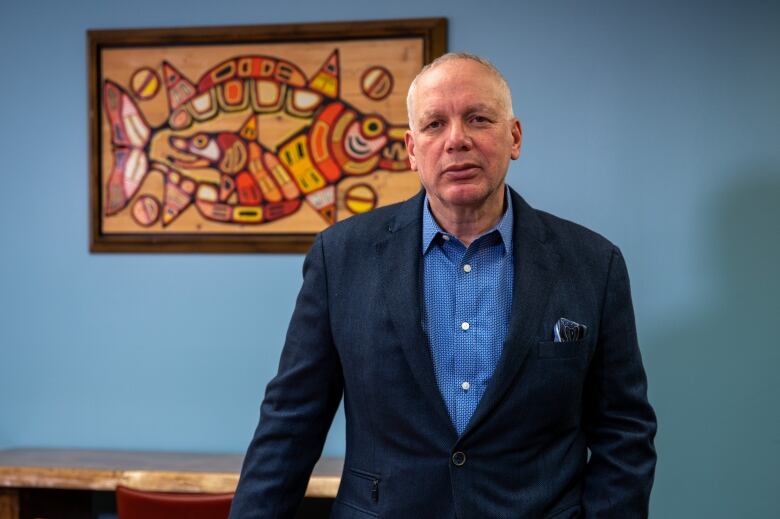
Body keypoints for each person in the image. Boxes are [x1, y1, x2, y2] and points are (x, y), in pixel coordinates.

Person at [229, 53, 657, 518]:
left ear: (513, 137)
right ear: (412, 150)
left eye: (478, 118)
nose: (457, 140)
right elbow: (290, 424)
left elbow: (624, 432)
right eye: (435, 124)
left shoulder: (593, 263)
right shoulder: (342, 257)